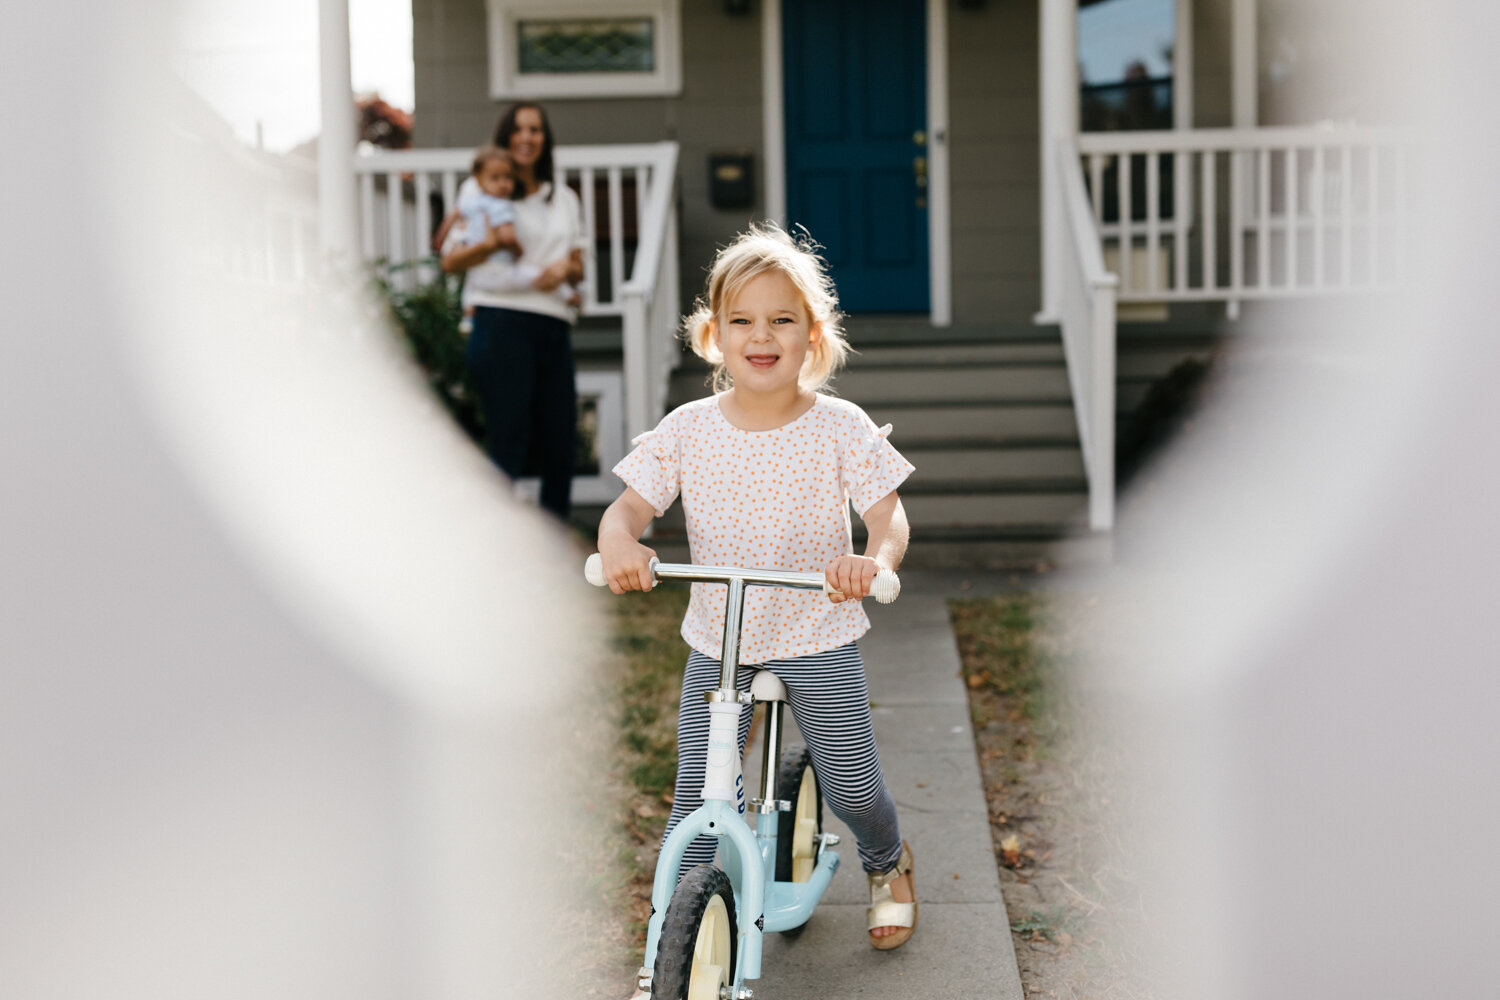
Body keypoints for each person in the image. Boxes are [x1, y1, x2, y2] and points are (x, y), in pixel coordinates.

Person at [596, 224, 919, 958]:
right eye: (742, 319)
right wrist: (619, 541)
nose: (761, 335)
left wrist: (871, 560)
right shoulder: (688, 430)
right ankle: (688, 922)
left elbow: (886, 513)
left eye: (781, 319)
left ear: (812, 334)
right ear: (714, 335)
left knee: (851, 785)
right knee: (697, 797)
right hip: (721, 636)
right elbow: (629, 508)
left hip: (817, 631)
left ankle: (884, 860)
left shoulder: (840, 427)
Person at [441, 102, 586, 520]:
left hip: (553, 325)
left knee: (560, 443)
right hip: (501, 321)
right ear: (505, 137)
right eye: (518, 129)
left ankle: (554, 544)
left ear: (545, 139)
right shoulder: (479, 190)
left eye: (535, 129)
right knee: (510, 442)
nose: (527, 137)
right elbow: (450, 261)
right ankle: (502, 551)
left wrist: (563, 268)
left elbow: (578, 265)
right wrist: (491, 245)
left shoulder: (565, 200)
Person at [452, 145, 579, 333]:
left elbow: (453, 218)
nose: (503, 184)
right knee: (533, 274)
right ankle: (568, 294)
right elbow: (507, 237)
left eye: (508, 177)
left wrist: (440, 237)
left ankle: (468, 317)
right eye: (495, 178)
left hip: (481, 273)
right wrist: (517, 250)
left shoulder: (472, 201)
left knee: (471, 286)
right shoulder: (500, 206)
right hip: (500, 269)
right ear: (479, 179)